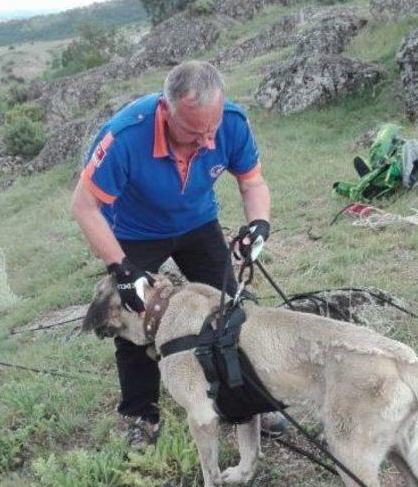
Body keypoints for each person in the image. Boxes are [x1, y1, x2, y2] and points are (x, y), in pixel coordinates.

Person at [71, 60, 285, 447]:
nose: (206, 142)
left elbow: (252, 182)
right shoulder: (124, 137)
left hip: (198, 224)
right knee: (133, 320)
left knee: (229, 309)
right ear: (165, 110)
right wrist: (122, 269)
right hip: (136, 234)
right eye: (192, 132)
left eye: (211, 130)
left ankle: (249, 397)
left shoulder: (232, 123)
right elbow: (84, 206)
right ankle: (141, 415)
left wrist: (259, 224)